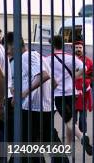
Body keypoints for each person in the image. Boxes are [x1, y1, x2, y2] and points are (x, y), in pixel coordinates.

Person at [5, 32, 61, 162]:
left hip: (33, 109)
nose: (7, 52)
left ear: (14, 45)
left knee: (24, 146)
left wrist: (23, 94)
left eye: (7, 47)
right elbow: (54, 82)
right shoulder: (39, 56)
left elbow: (44, 76)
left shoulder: (26, 56)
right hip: (45, 108)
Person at [48, 35, 93, 155]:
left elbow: (45, 74)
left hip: (58, 94)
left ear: (52, 45)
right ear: (63, 45)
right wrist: (75, 76)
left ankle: (81, 136)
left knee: (68, 120)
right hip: (71, 93)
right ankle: (68, 146)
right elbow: (84, 67)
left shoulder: (48, 59)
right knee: (69, 118)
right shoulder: (70, 57)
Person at [73, 40, 94, 138]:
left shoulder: (88, 61)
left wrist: (87, 82)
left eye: (80, 47)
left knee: (82, 113)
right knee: (72, 114)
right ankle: (73, 132)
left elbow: (92, 75)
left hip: (83, 91)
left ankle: (83, 132)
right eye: (76, 47)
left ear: (83, 49)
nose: (78, 49)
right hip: (71, 90)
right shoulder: (69, 60)